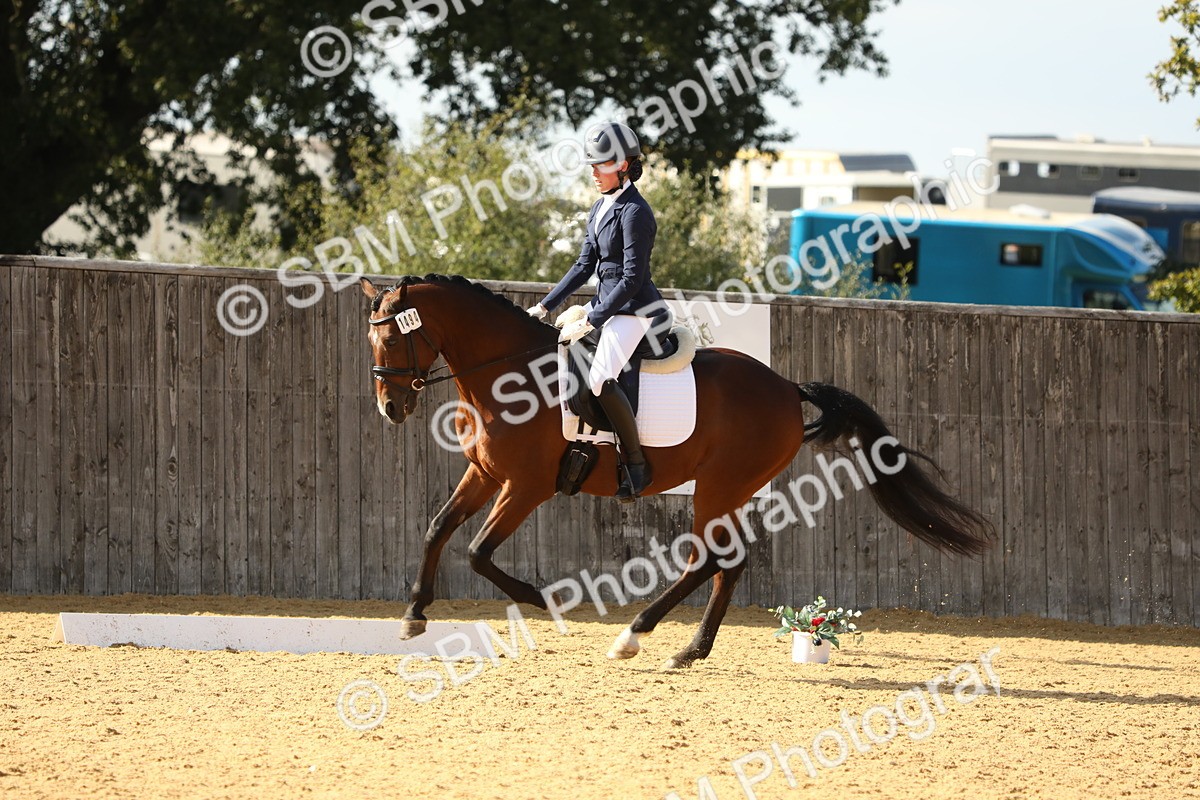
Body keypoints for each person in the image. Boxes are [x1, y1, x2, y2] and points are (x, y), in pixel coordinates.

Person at [527, 121, 670, 501]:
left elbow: (632, 279)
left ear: (622, 164)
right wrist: (545, 306)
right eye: (591, 165)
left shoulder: (635, 212)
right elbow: (583, 265)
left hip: (636, 310)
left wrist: (592, 318)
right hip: (606, 303)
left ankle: (637, 466)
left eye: (600, 164)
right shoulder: (599, 206)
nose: (592, 171)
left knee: (599, 377)